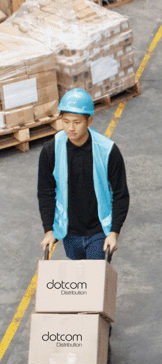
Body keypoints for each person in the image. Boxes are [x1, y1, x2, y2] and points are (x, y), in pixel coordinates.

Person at [38, 88, 129, 260]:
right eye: (66, 122)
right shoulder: (51, 150)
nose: (70, 128)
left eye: (77, 122)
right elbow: (46, 192)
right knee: (77, 284)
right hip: (69, 232)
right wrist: (49, 231)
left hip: (99, 231)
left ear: (89, 121)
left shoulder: (108, 151)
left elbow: (120, 194)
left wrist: (114, 232)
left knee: (94, 283)